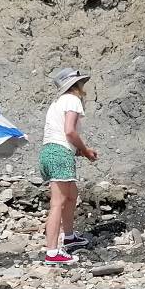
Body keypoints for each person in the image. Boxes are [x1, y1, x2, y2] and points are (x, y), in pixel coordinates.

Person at [40, 66, 98, 263]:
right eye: (81, 83)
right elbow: (69, 132)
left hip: (49, 152)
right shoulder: (73, 100)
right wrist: (86, 150)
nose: (83, 86)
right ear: (76, 84)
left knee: (72, 195)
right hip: (60, 154)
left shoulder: (56, 102)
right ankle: (52, 252)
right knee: (57, 203)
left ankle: (70, 237)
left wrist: (79, 151)